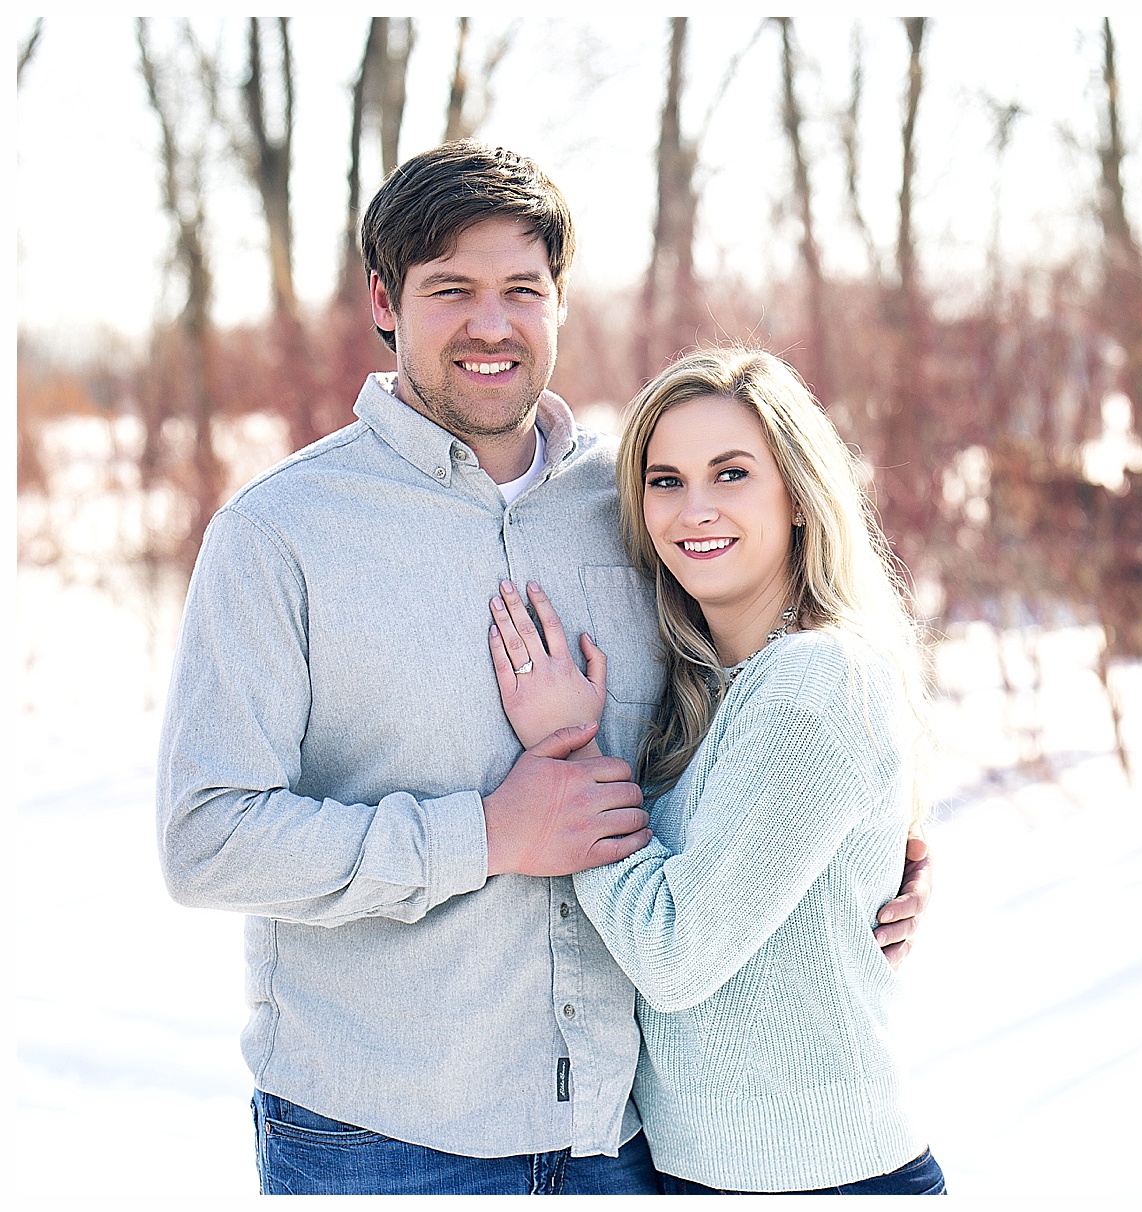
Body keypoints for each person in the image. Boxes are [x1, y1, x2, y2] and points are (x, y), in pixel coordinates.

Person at [154, 141, 930, 1196]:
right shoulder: (281, 536)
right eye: (451, 290)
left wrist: (862, 865)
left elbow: (756, 727)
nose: (491, 323)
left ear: (559, 302)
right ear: (385, 302)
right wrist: (482, 836)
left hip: (630, 1144)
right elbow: (208, 839)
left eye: (522, 288)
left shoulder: (646, 504)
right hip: (383, 1142)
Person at [482, 347, 945, 1194]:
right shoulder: (706, 688)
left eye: (730, 474)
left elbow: (673, 954)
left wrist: (570, 754)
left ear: (799, 495)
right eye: (665, 481)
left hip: (823, 1182)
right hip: (713, 1175)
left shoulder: (816, 682)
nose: (693, 510)